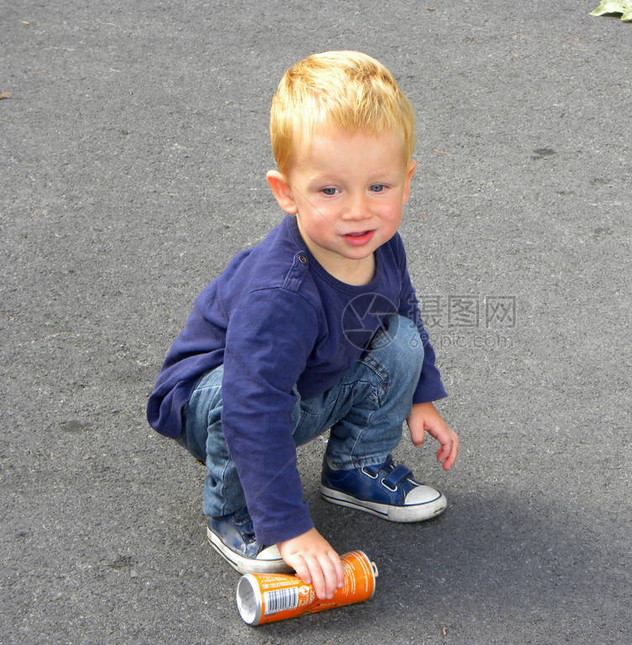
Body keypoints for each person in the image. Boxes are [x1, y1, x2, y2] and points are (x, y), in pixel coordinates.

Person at [146, 51, 459, 600]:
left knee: (401, 339)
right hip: (222, 402)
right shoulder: (280, 294)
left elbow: (402, 307)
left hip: (299, 384)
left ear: (407, 181)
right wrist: (290, 528)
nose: (358, 211)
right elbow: (253, 404)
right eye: (330, 190)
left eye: (378, 187)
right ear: (286, 191)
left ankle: (354, 467)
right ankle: (237, 511)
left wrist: (421, 393)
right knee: (245, 396)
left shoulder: (380, 245)